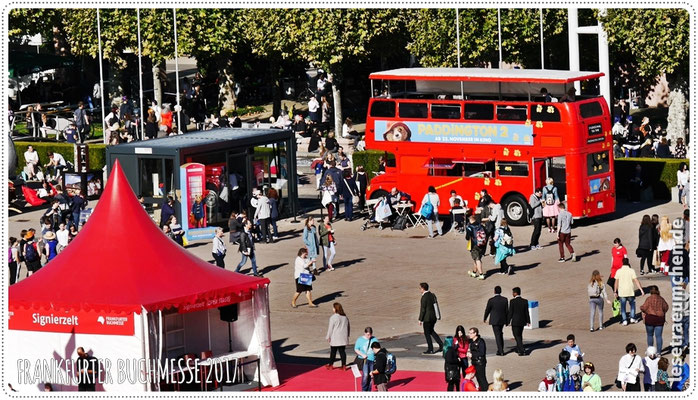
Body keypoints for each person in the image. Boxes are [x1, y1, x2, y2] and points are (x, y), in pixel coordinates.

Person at [614, 259, 645, 325]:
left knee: (623, 307)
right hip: (630, 291)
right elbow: (636, 281)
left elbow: (616, 282)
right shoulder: (631, 271)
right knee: (632, 305)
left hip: (622, 292)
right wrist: (641, 290)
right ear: (628, 263)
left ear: (622, 263)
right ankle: (632, 318)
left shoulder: (619, 271)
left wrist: (615, 291)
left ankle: (624, 320)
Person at [640, 286, 669, 353]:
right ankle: (659, 352)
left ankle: (650, 351)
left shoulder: (649, 298)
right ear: (658, 291)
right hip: (660, 319)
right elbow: (666, 307)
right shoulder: (661, 299)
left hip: (650, 318)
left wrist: (642, 308)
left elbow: (643, 308)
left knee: (650, 335)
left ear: (651, 291)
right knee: (658, 336)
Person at [418, 282, 443, 354]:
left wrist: (420, 319)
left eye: (420, 288)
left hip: (427, 318)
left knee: (427, 333)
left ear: (423, 288)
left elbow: (423, 309)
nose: (420, 290)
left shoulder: (424, 297)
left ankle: (430, 349)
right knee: (431, 331)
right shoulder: (432, 295)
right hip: (433, 317)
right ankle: (441, 344)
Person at [483, 286, 508, 356]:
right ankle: (500, 349)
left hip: (494, 320)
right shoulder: (505, 299)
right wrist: (507, 320)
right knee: (500, 334)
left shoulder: (491, 300)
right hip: (502, 320)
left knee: (497, 335)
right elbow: (506, 311)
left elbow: (487, 309)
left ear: (494, 291)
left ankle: (501, 351)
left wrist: (485, 318)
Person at [326, 302, 350, 370]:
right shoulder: (345, 317)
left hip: (335, 337)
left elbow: (330, 328)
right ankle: (344, 365)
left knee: (333, 352)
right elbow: (348, 327)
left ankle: (331, 365)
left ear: (335, 309)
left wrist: (328, 336)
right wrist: (347, 335)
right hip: (343, 337)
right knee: (342, 352)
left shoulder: (333, 317)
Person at [507, 287, 530, 356]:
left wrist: (508, 321)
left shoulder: (512, 301)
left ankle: (522, 350)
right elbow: (526, 312)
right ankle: (518, 348)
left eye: (513, 293)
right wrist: (528, 321)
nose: (512, 294)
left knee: (517, 336)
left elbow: (510, 312)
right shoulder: (525, 301)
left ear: (515, 293)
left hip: (515, 322)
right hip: (522, 321)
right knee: (520, 335)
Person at [354, 327, 378, 391]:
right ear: (364, 333)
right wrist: (362, 354)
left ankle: (369, 390)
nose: (369, 336)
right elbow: (356, 349)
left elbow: (377, 348)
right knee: (365, 375)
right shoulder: (360, 340)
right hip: (365, 360)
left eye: (370, 334)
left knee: (371, 376)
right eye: (367, 335)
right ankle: (364, 389)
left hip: (372, 359)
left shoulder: (374, 339)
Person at [465, 215, 486, 280]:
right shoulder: (481, 225)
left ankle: (481, 274)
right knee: (476, 259)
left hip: (474, 245)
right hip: (482, 244)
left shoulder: (470, 227)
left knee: (477, 259)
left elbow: (467, 237)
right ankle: (474, 272)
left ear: (471, 220)